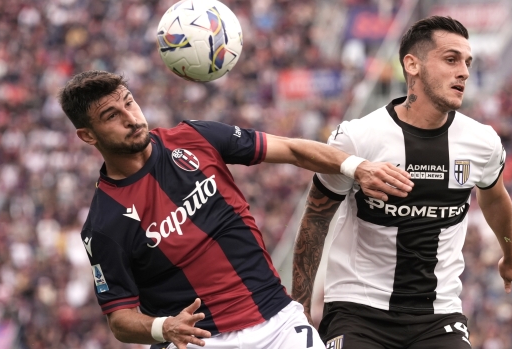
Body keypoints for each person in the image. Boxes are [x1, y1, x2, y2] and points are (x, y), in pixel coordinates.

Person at [57, 70, 412, 349]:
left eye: (129, 103)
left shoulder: (193, 138)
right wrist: (162, 327)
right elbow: (120, 319)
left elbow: (291, 149)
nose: (131, 118)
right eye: (111, 115)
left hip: (277, 321)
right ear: (88, 135)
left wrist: (357, 167)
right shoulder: (103, 224)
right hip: (199, 340)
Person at [292, 16, 512, 349]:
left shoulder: (483, 142)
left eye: (467, 62)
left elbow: (494, 198)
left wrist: (511, 252)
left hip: (438, 316)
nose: (463, 71)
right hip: (358, 311)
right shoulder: (359, 137)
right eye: (451, 60)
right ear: (412, 65)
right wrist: (300, 307)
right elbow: (316, 218)